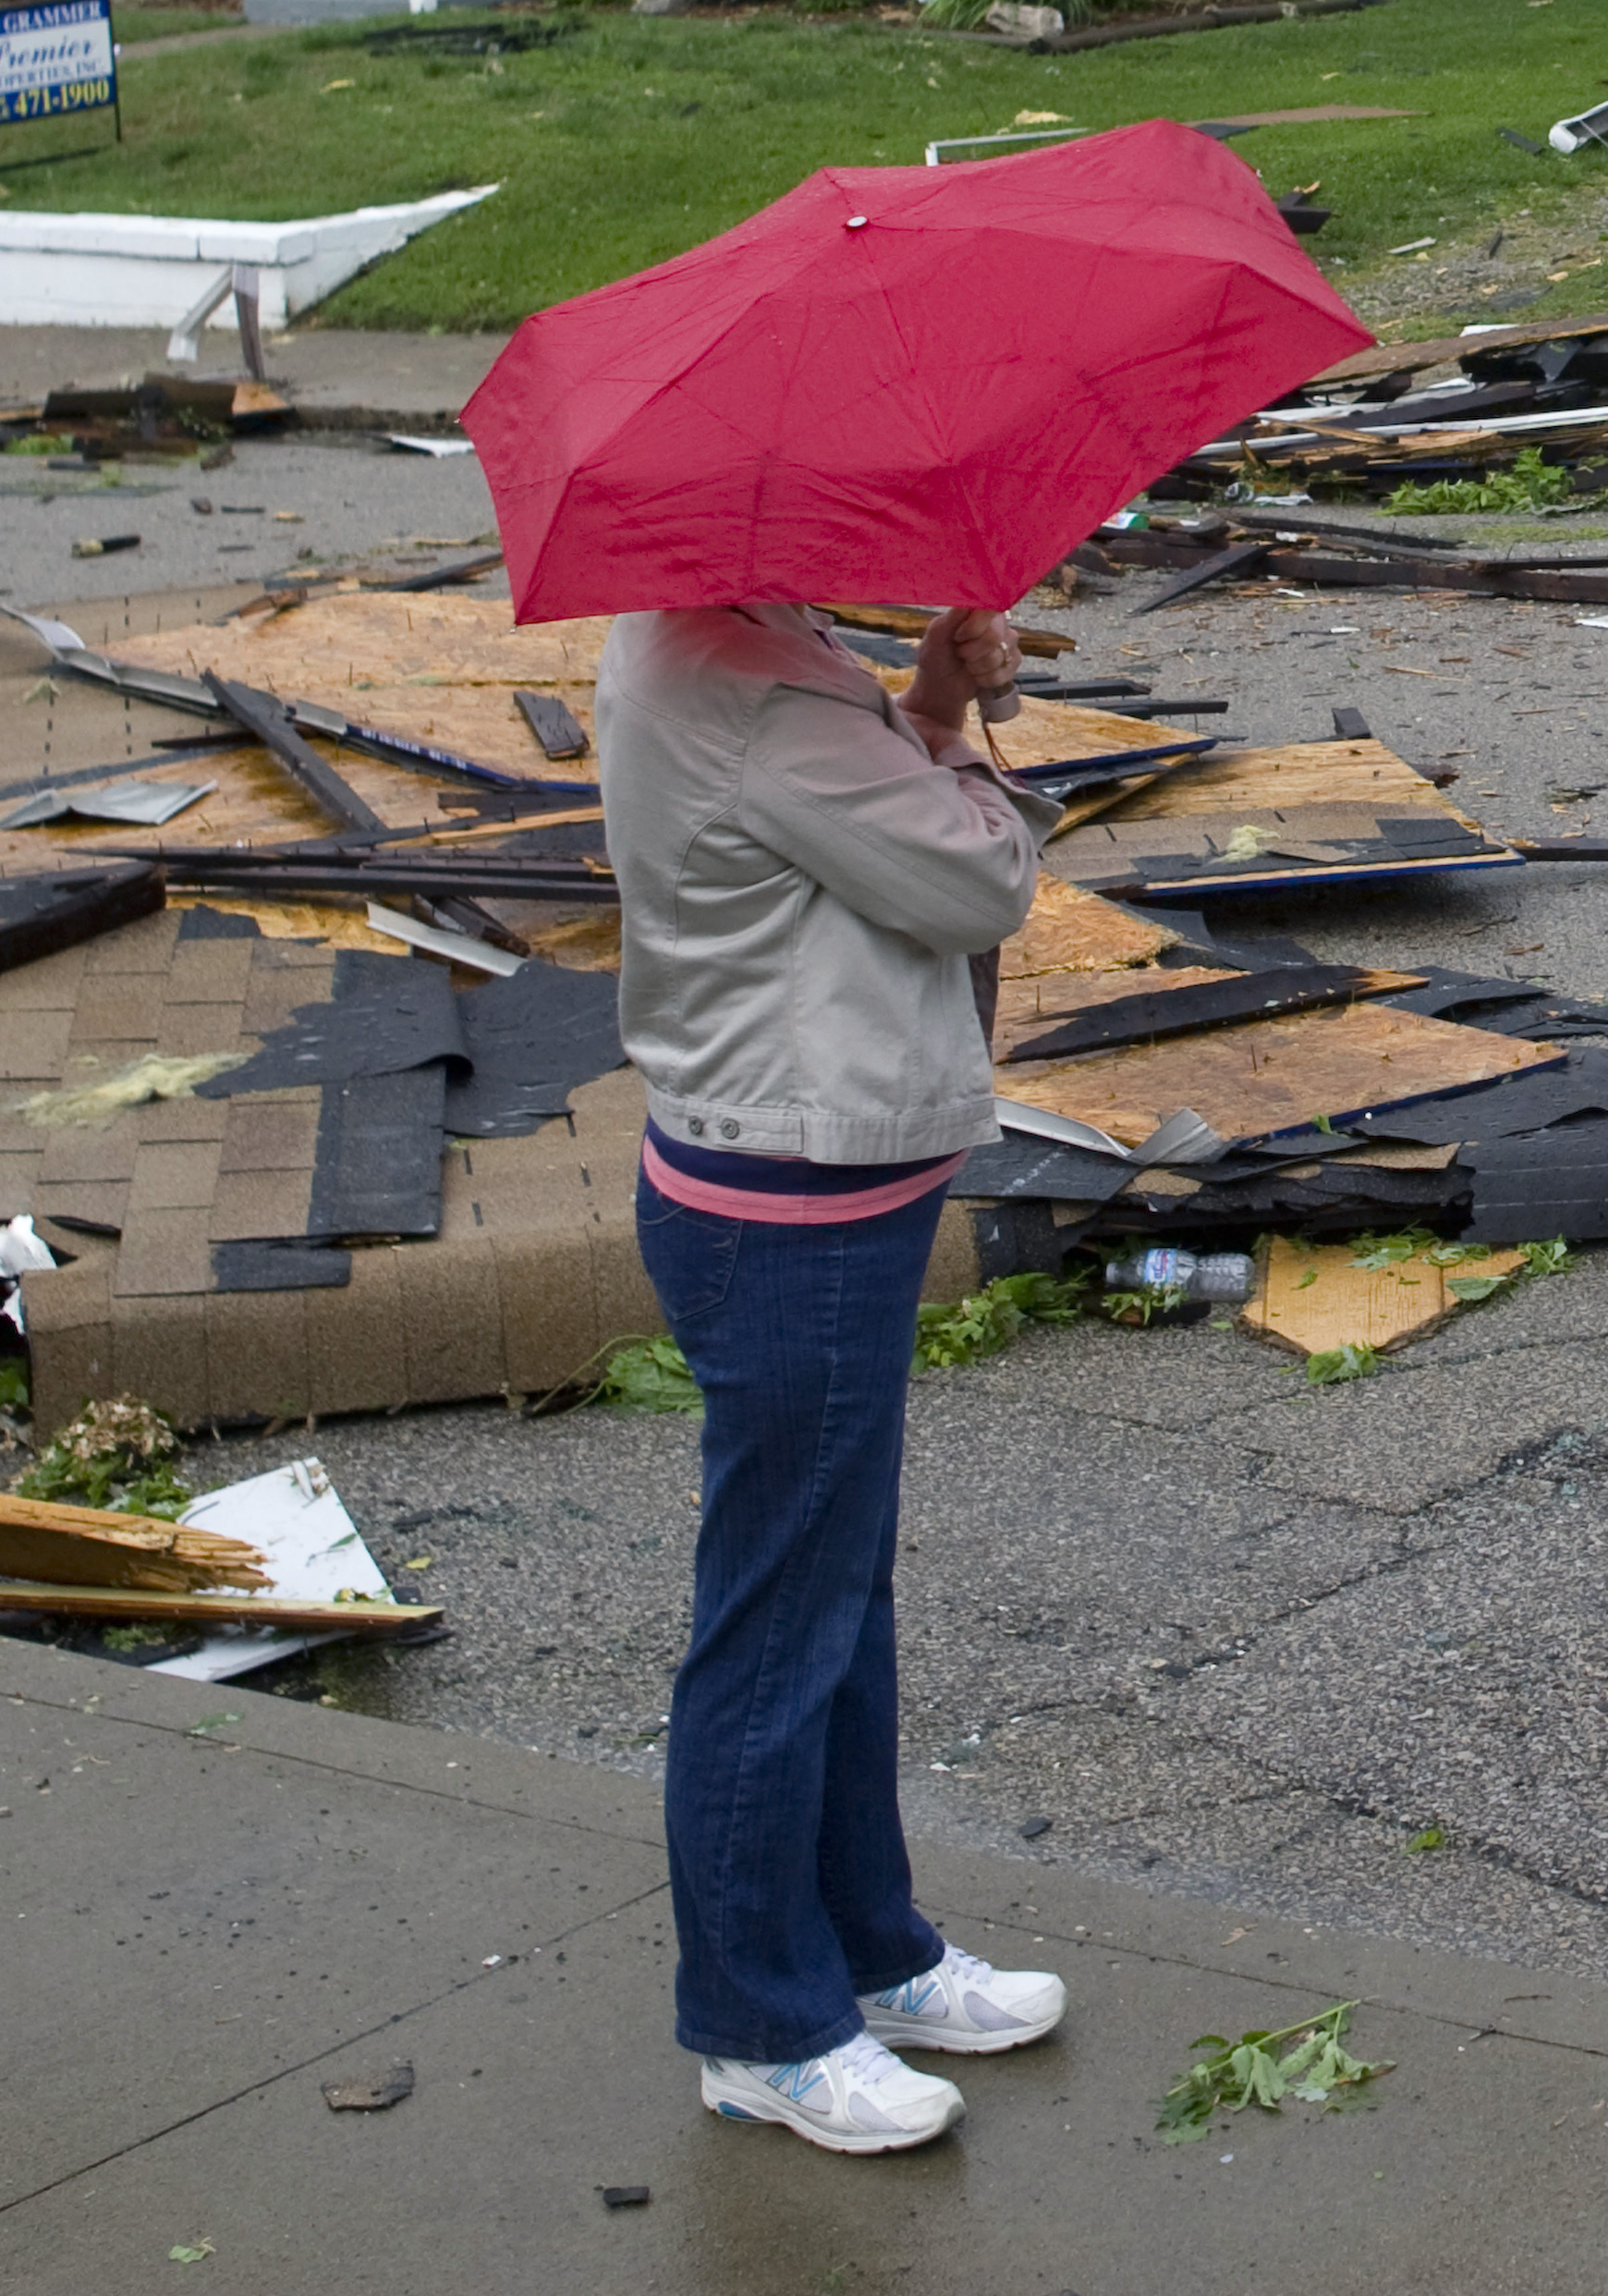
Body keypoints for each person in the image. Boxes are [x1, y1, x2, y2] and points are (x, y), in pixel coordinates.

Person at [603, 595, 1061, 2156]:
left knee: (832, 1598)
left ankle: (873, 1945)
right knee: (780, 1621)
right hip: (788, 1201)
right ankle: (758, 2020)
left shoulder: (728, 640)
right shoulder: (759, 692)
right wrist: (986, 753)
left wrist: (927, 695)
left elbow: (859, 836)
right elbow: (970, 878)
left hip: (800, 1178)